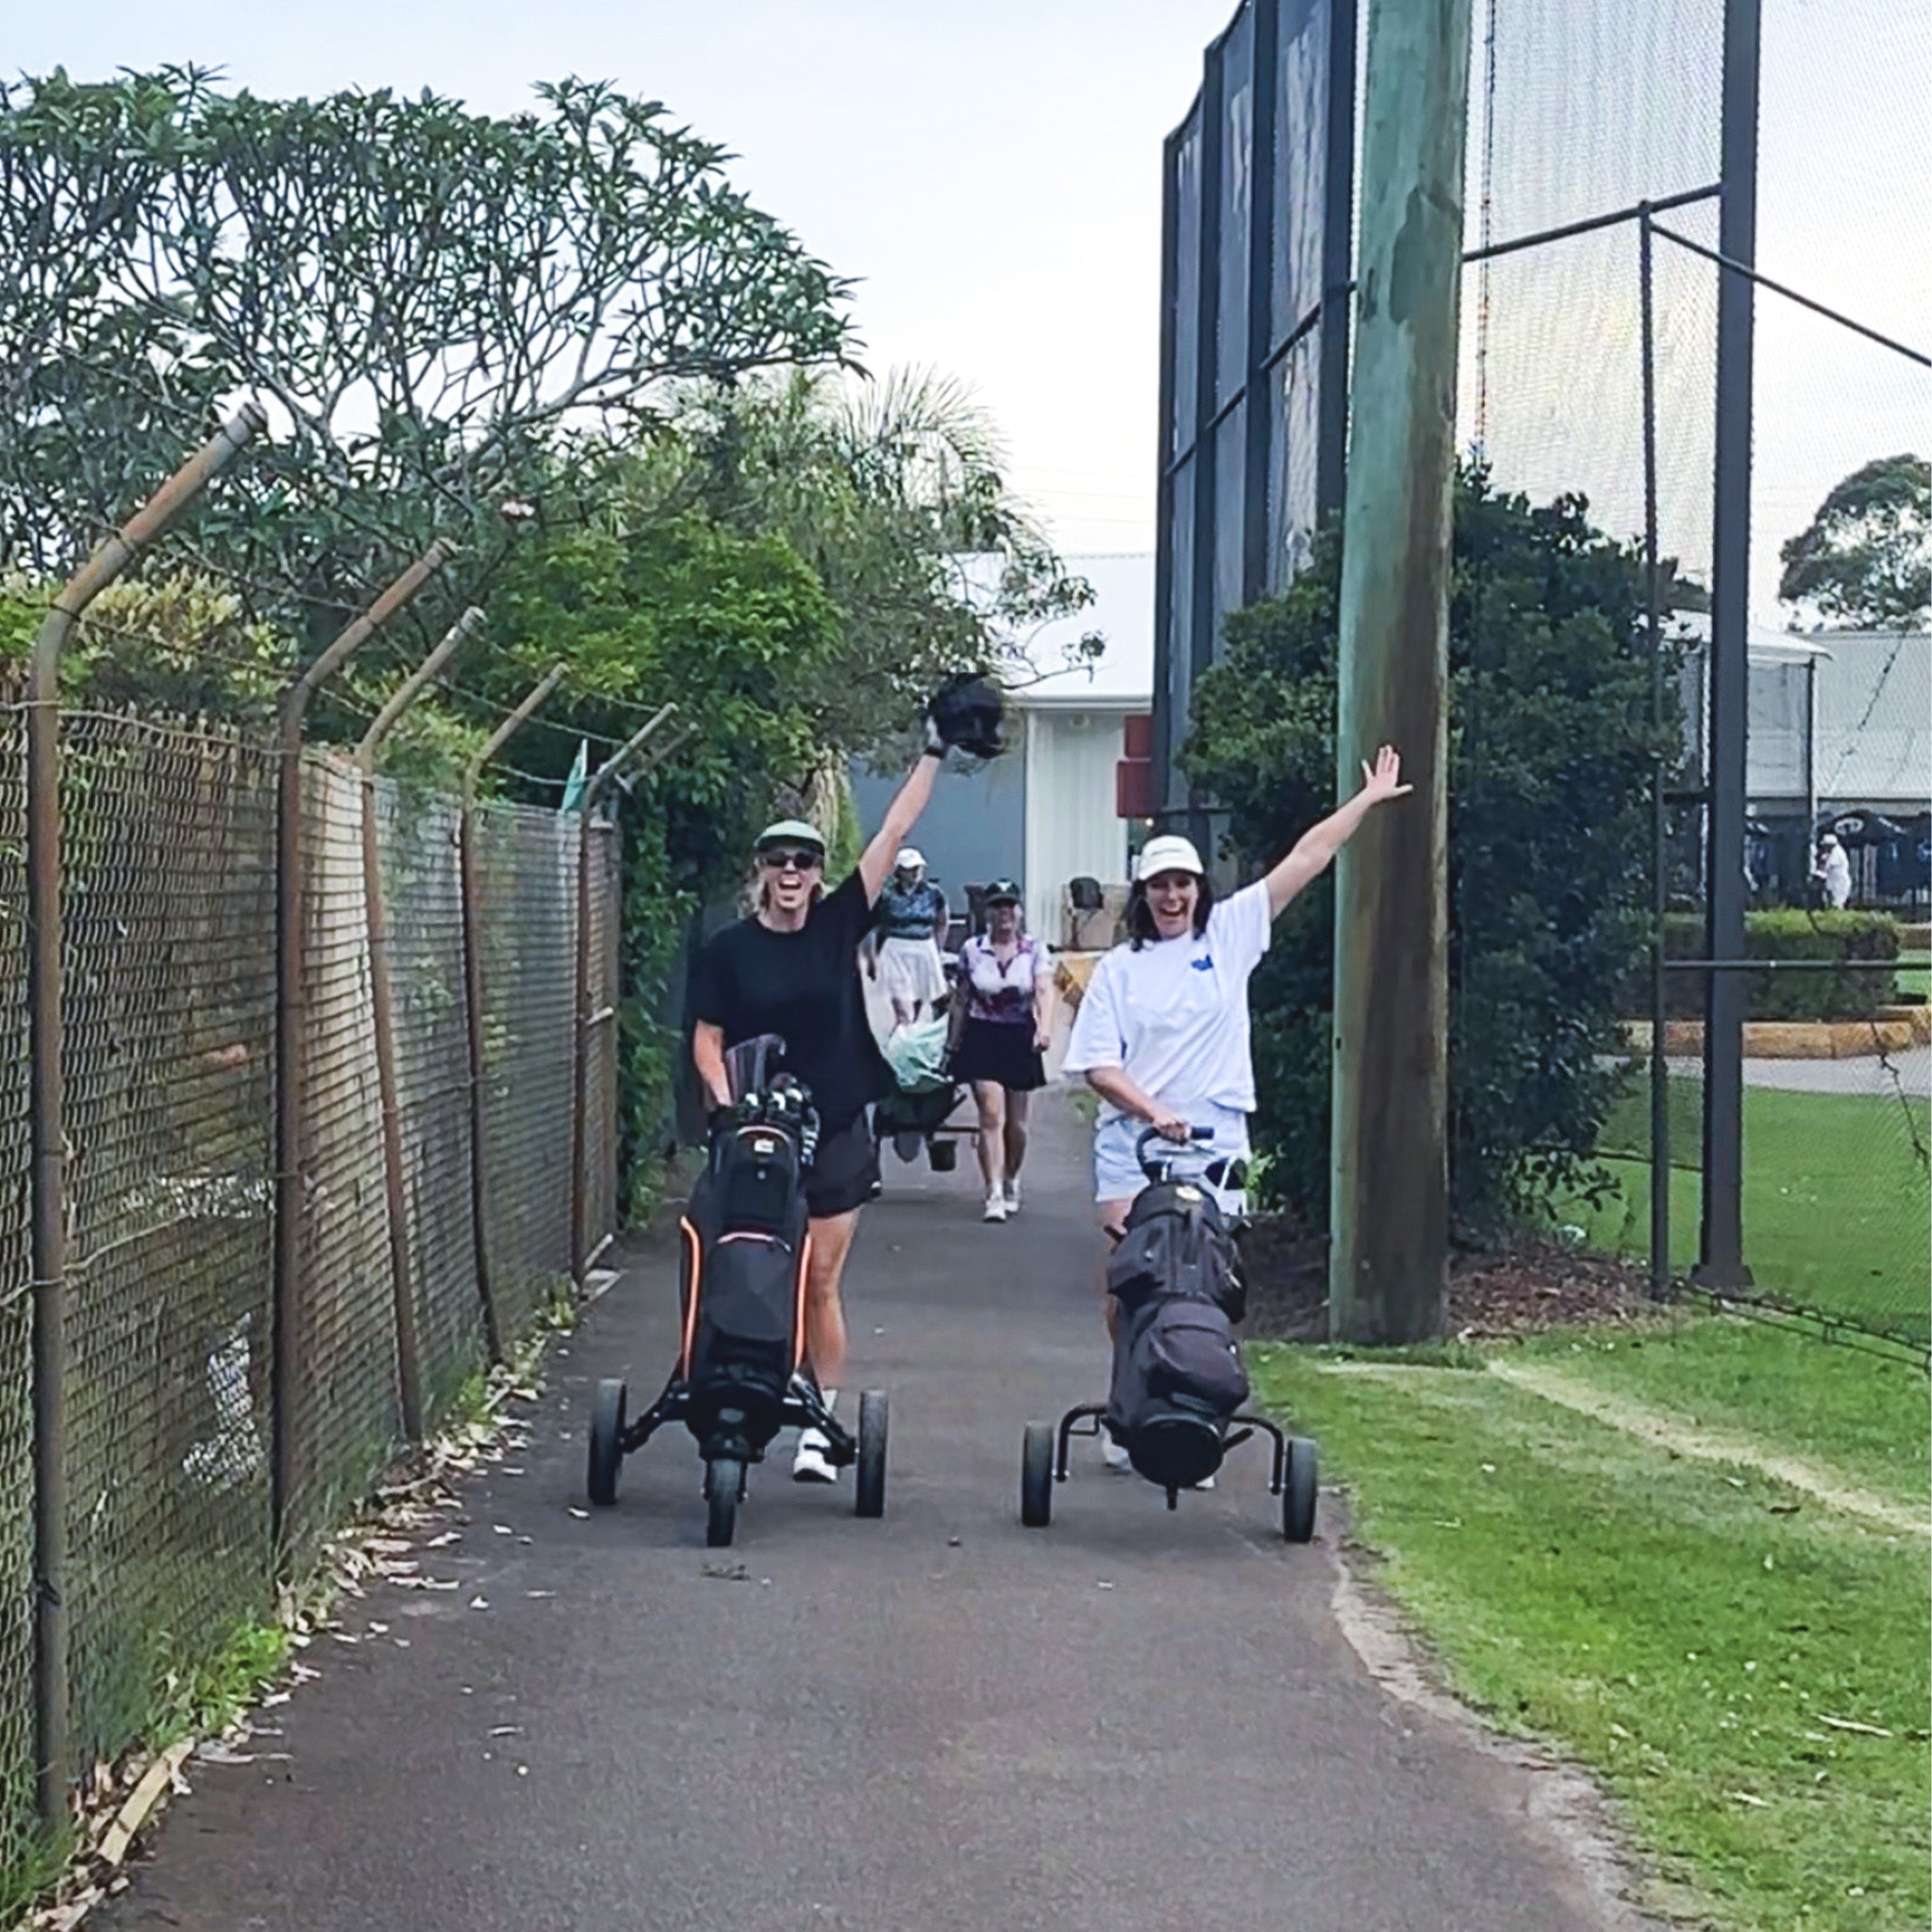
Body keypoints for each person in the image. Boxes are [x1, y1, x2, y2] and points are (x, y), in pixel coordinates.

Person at [1061, 746, 1412, 1469]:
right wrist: (1153, 1111)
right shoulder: (1119, 972)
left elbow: (1307, 858)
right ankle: (1129, 1402)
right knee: (1132, 1274)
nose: (1172, 898)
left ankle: (1196, 1404)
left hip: (1215, 1134)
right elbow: (1099, 1066)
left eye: (1183, 884)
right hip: (1136, 1138)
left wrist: (1368, 800)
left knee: (1206, 1275)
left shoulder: (1230, 935)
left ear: (1199, 888)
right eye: (1159, 886)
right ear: (1143, 893)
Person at [689, 753, 944, 1484]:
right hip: (753, 1133)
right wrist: (728, 1102)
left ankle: (815, 1414)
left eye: (804, 860)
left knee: (818, 1276)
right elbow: (707, 1038)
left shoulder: (837, 925)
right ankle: (729, 1380)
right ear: (763, 871)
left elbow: (896, 828)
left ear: (817, 870)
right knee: (737, 1264)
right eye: (779, 861)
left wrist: (934, 749)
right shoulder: (729, 951)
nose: (792, 872)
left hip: (830, 1127)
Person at [951, 878, 1054, 1223]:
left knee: (1018, 1125)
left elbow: (1044, 990)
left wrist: (1045, 1027)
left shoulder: (1035, 950)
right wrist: (952, 1043)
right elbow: (961, 999)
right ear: (988, 912)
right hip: (983, 1035)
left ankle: (1011, 1177)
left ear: (1019, 911)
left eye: (1010, 906)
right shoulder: (972, 949)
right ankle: (992, 1191)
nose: (1004, 913)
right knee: (991, 1115)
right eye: (997, 906)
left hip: (1020, 1036)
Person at [873, 848, 950, 1027]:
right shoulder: (887, 895)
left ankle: (906, 1042)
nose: (915, 872)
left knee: (918, 1004)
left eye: (918, 868)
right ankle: (904, 1036)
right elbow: (877, 924)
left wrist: (938, 948)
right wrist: (875, 955)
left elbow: (942, 921)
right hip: (896, 950)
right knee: (903, 1010)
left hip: (924, 948)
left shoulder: (933, 893)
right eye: (910, 868)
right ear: (899, 871)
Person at [1813, 831, 1853, 910]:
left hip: (1840, 883)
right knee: (1830, 903)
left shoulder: (1837, 853)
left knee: (1837, 904)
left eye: (1826, 846)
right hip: (1833, 882)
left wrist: (1815, 873)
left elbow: (1826, 869)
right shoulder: (1829, 853)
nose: (1825, 848)